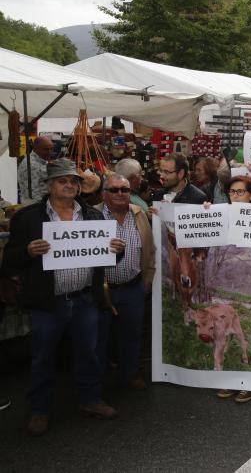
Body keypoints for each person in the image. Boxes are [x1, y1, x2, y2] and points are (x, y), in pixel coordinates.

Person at [2, 158, 125, 436]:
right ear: (49, 185)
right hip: (48, 303)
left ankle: (90, 399)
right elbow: (9, 260)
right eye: (63, 180)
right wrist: (28, 252)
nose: (69, 185)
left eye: (74, 181)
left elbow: (108, 258)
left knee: (88, 353)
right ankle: (40, 409)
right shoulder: (29, 217)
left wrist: (117, 249)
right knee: (43, 357)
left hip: (84, 300)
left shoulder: (93, 217)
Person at [96, 173, 155, 391]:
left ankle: (129, 375)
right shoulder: (92, 216)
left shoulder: (139, 214)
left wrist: (147, 279)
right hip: (102, 290)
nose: (120, 194)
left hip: (133, 287)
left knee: (131, 336)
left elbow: (150, 249)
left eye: (125, 189)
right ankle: (97, 384)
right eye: (114, 190)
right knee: (99, 339)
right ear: (104, 193)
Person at [215, 175, 251, 404]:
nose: (235, 196)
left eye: (240, 192)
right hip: (229, 285)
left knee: (248, 333)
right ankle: (231, 376)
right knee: (227, 331)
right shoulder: (222, 214)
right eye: (232, 192)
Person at [18, 136, 53, 205]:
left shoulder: (40, 160)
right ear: (36, 148)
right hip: (35, 207)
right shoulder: (31, 165)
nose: (50, 152)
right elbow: (34, 195)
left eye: (51, 149)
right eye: (46, 149)